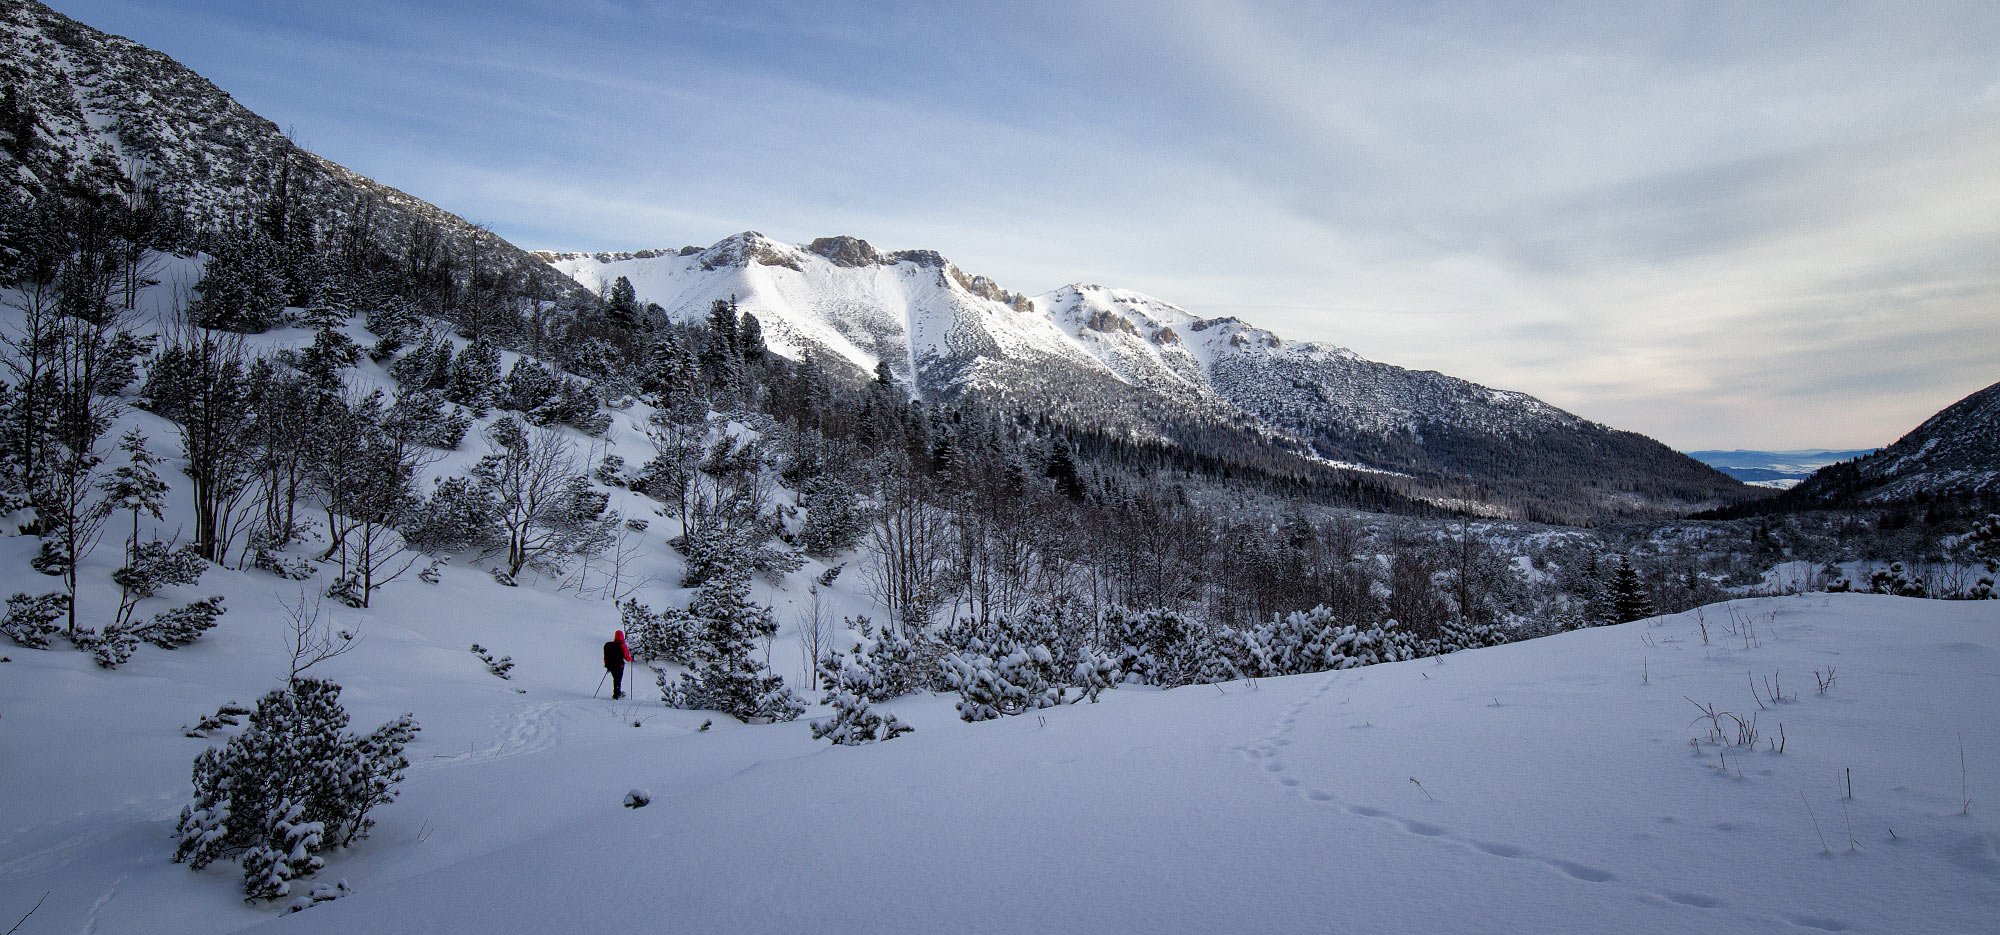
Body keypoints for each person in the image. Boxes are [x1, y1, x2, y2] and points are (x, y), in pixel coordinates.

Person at [603, 630, 633, 700]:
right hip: (619, 666)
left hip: (611, 666)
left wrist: (607, 665)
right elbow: (627, 657)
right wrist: (631, 659)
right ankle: (616, 694)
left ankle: (617, 692)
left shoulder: (610, 645)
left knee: (615, 679)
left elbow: (605, 657)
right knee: (618, 679)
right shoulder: (623, 645)